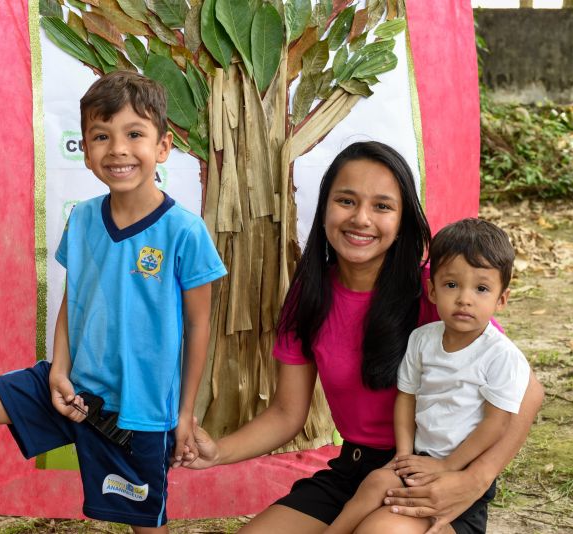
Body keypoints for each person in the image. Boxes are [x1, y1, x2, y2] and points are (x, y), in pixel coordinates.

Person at [0, 71, 226, 534]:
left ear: (162, 147)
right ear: (85, 149)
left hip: (134, 413)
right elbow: (73, 301)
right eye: (101, 136)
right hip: (69, 388)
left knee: (144, 526)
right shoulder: (81, 220)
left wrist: (182, 414)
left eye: (134, 134)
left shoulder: (184, 232)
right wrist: (59, 369)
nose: (117, 148)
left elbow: (199, 327)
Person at [183, 141, 543, 534]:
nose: (361, 219)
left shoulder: (436, 291)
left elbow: (527, 390)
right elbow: (287, 414)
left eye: (382, 206)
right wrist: (217, 452)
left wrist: (475, 480)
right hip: (354, 471)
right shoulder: (310, 295)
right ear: (324, 210)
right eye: (347, 201)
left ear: (402, 219)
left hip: (431, 473)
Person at [324, 218, 531, 534]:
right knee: (376, 481)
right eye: (452, 285)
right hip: (419, 459)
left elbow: (496, 423)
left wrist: (449, 466)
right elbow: (406, 397)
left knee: (379, 527)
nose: (465, 298)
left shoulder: (502, 355)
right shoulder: (422, 339)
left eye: (481, 288)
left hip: (459, 468)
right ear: (432, 291)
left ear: (501, 299)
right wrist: (404, 453)